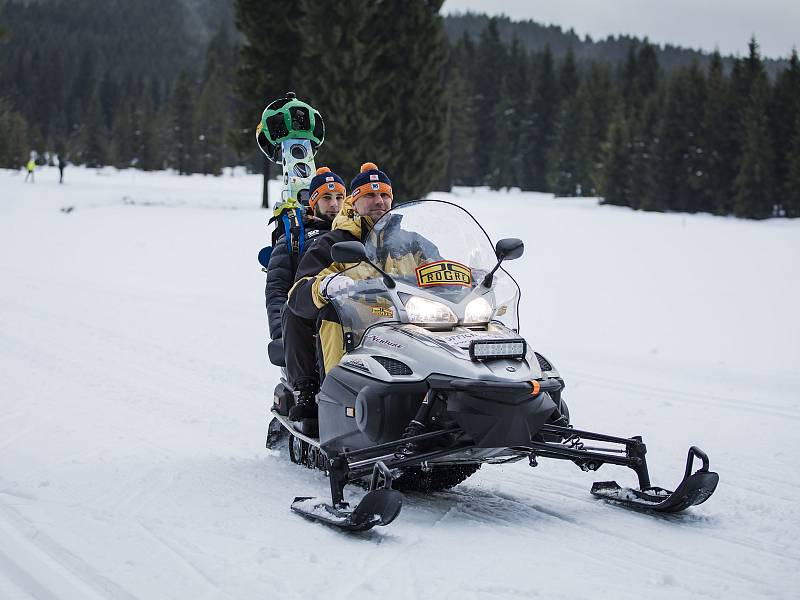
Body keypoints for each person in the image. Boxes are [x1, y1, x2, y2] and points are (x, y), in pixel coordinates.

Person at [285, 162, 438, 421]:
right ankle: (333, 398)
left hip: (407, 323)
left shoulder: (412, 242)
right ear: (353, 203)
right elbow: (297, 293)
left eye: (384, 195)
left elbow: (438, 270)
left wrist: (470, 278)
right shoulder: (333, 242)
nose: (379, 201)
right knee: (331, 313)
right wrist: (325, 286)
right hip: (357, 327)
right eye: (369, 195)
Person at [265, 167, 345, 342]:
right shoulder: (293, 238)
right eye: (327, 198)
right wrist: (281, 333)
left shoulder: (354, 233)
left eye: (340, 198)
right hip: (308, 330)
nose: (334, 204)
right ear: (313, 202)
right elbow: (277, 289)